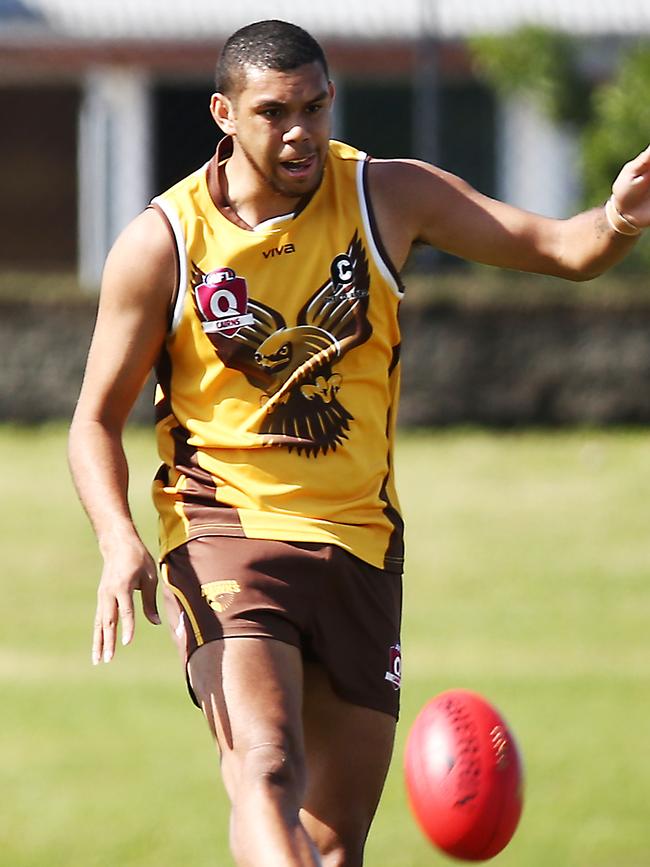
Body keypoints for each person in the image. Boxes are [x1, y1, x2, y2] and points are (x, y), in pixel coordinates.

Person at [68, 18, 650, 867]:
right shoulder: (164, 243)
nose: (301, 130)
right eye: (274, 112)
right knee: (264, 767)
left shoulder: (388, 195)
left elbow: (561, 247)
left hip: (360, 547)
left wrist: (620, 219)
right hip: (227, 536)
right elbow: (93, 417)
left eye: (315, 105)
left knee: (335, 845)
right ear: (223, 113)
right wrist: (119, 539)